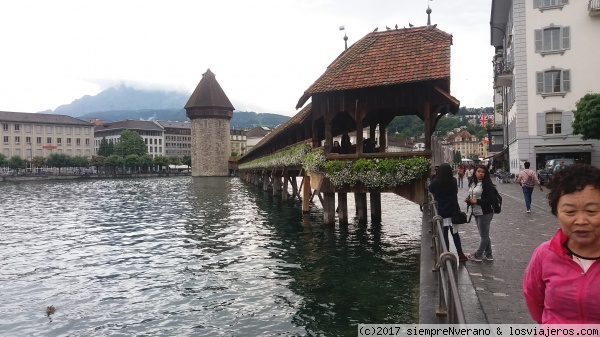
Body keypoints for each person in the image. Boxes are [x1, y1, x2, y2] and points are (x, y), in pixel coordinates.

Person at [523, 164, 600, 324]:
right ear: (557, 212)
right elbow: (534, 299)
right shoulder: (545, 254)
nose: (581, 221)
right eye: (570, 212)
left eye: (592, 211)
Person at [429, 163, 469, 262]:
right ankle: (460, 254)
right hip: (453, 210)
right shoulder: (454, 181)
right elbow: (455, 192)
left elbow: (430, 189)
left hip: (442, 211)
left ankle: (446, 254)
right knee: (455, 234)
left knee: (444, 234)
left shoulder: (436, 182)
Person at [466, 164, 496, 262]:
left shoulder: (487, 185)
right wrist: (469, 199)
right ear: (475, 172)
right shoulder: (473, 182)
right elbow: (473, 194)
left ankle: (478, 254)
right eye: (479, 171)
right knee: (484, 234)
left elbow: (491, 200)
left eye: (483, 172)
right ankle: (489, 254)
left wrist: (477, 201)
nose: (481, 174)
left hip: (485, 212)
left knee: (484, 235)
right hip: (476, 212)